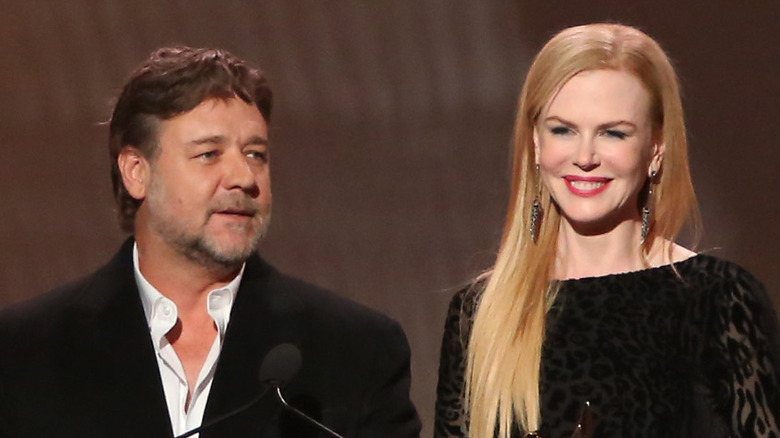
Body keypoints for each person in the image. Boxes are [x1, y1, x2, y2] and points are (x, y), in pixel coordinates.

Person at [0, 46, 421, 438]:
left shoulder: (355, 351)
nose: (244, 177)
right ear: (136, 172)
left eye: (255, 153)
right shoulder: (24, 352)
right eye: (209, 154)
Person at [434, 23, 780, 438]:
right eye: (562, 129)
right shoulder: (481, 314)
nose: (584, 157)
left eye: (613, 133)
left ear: (656, 147)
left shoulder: (717, 301)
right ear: (536, 143)